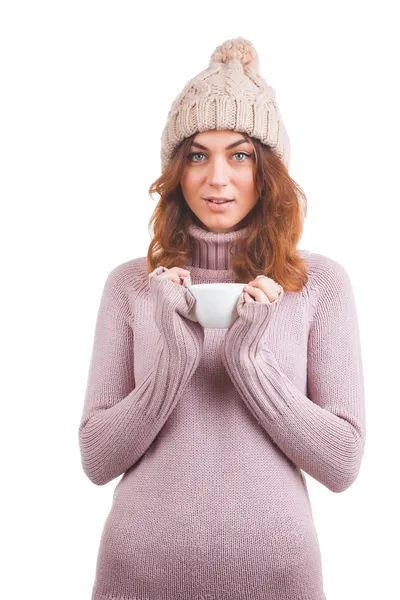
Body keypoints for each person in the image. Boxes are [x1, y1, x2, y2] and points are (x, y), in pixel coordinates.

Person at [78, 37, 366, 600]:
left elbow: (343, 461)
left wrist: (247, 362)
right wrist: (175, 359)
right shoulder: (132, 286)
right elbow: (96, 457)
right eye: (196, 155)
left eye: (239, 155)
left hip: (275, 577)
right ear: (175, 171)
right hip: (139, 579)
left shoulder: (318, 285)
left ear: (268, 170)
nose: (216, 179)